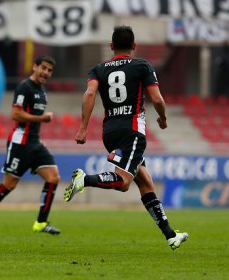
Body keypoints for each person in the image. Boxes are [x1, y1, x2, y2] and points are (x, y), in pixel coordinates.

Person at [64, 26, 188, 250]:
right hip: (132, 132)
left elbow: (90, 93)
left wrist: (83, 128)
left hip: (109, 132)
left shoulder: (98, 69)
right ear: (134, 46)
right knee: (123, 182)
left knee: (146, 183)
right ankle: (84, 179)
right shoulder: (141, 65)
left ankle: (170, 235)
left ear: (111, 47)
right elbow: (157, 99)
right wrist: (163, 118)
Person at [0, 55, 61, 235]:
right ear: (34, 67)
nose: (46, 72)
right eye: (43, 68)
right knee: (10, 184)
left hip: (35, 143)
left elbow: (32, 121)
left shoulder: (42, 91)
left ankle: (41, 223)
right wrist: (42, 118)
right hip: (20, 143)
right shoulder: (24, 87)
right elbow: (16, 115)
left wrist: (38, 130)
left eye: (50, 70)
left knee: (53, 178)